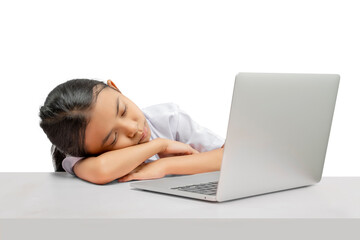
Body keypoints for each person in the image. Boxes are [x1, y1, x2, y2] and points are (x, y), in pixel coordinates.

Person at [39, 79, 224, 185]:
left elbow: (229, 157)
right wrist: (159, 145)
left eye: (123, 111)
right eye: (113, 138)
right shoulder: (85, 160)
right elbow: (102, 170)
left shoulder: (169, 119)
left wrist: (165, 166)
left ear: (116, 88)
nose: (133, 128)